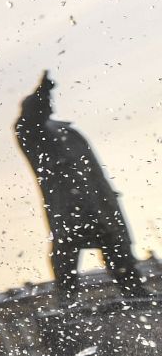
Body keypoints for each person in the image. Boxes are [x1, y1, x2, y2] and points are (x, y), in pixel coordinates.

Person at [14, 72, 150, 299]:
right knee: (66, 251)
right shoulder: (34, 134)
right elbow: (30, 118)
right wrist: (41, 92)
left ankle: (133, 290)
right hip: (68, 203)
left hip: (98, 200)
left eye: (49, 101)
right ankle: (68, 299)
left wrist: (108, 196)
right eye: (44, 102)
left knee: (117, 245)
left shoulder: (69, 131)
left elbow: (93, 170)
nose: (49, 105)